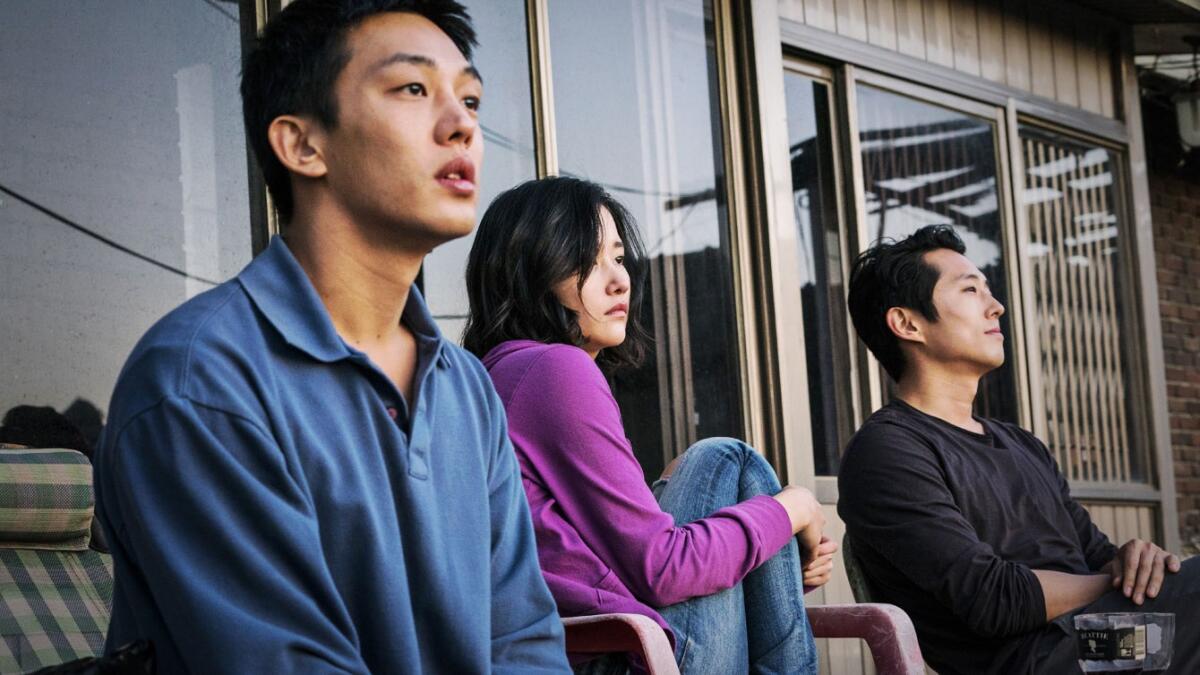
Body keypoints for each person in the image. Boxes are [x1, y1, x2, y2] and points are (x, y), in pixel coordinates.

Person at [92, 1, 569, 672]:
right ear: (303, 144)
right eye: (413, 88)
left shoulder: (465, 389)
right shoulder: (198, 382)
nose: (462, 124)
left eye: (470, 97)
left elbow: (525, 640)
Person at [463, 176, 836, 674]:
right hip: (615, 658)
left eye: (617, 257)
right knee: (726, 459)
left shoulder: (495, 377)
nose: (618, 280)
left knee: (717, 480)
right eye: (584, 261)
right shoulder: (553, 370)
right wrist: (795, 508)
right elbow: (662, 568)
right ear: (529, 273)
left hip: (585, 646)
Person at [839, 224, 1199, 674]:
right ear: (907, 323)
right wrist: (1117, 580)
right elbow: (993, 599)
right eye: (971, 291)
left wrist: (1134, 561)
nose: (997, 307)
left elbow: (1095, 554)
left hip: (1101, 636)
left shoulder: (1021, 444)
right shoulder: (888, 452)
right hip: (1040, 659)